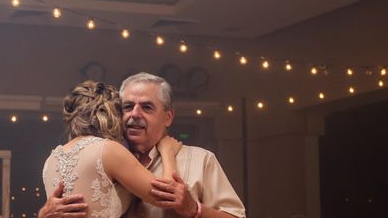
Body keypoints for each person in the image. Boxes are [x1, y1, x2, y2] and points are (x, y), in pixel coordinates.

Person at [40, 73, 246, 218]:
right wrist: (44, 215)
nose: (135, 114)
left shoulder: (201, 160)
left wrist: (194, 209)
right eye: (127, 107)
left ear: (168, 117)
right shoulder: (102, 158)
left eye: (147, 107)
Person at [42, 80, 183, 218]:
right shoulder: (108, 150)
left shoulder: (51, 160)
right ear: (111, 115)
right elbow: (167, 196)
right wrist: (167, 152)